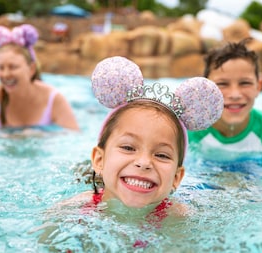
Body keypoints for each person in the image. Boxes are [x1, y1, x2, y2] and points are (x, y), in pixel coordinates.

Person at [56, 56, 223, 220]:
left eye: (162, 155)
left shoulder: (179, 219)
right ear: (99, 160)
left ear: (176, 178)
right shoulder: (70, 212)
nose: (144, 163)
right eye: (128, 148)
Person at [188, 38, 262, 156]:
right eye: (222, 84)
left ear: (259, 86)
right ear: (205, 88)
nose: (235, 95)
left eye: (245, 83)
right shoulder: (190, 131)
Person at [0, 24, 79, 131]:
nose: (5, 74)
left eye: (13, 67)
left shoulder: (53, 99)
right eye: (1, 68)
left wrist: (40, 135)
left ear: (31, 69)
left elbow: (73, 135)